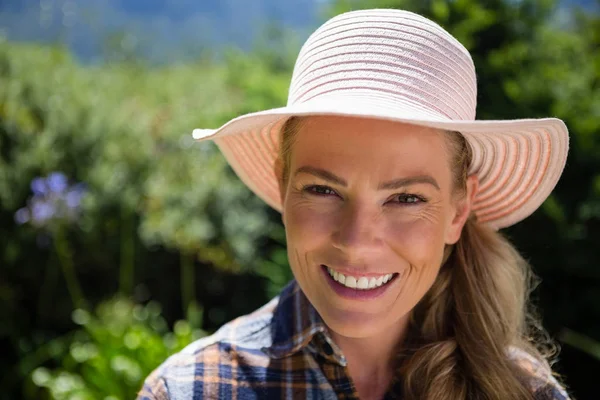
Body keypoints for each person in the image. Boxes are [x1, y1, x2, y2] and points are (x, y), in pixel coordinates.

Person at [138, 8, 571, 400]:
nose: (357, 242)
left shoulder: (524, 392)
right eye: (323, 190)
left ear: (458, 212)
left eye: (405, 198)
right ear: (282, 186)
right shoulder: (191, 390)